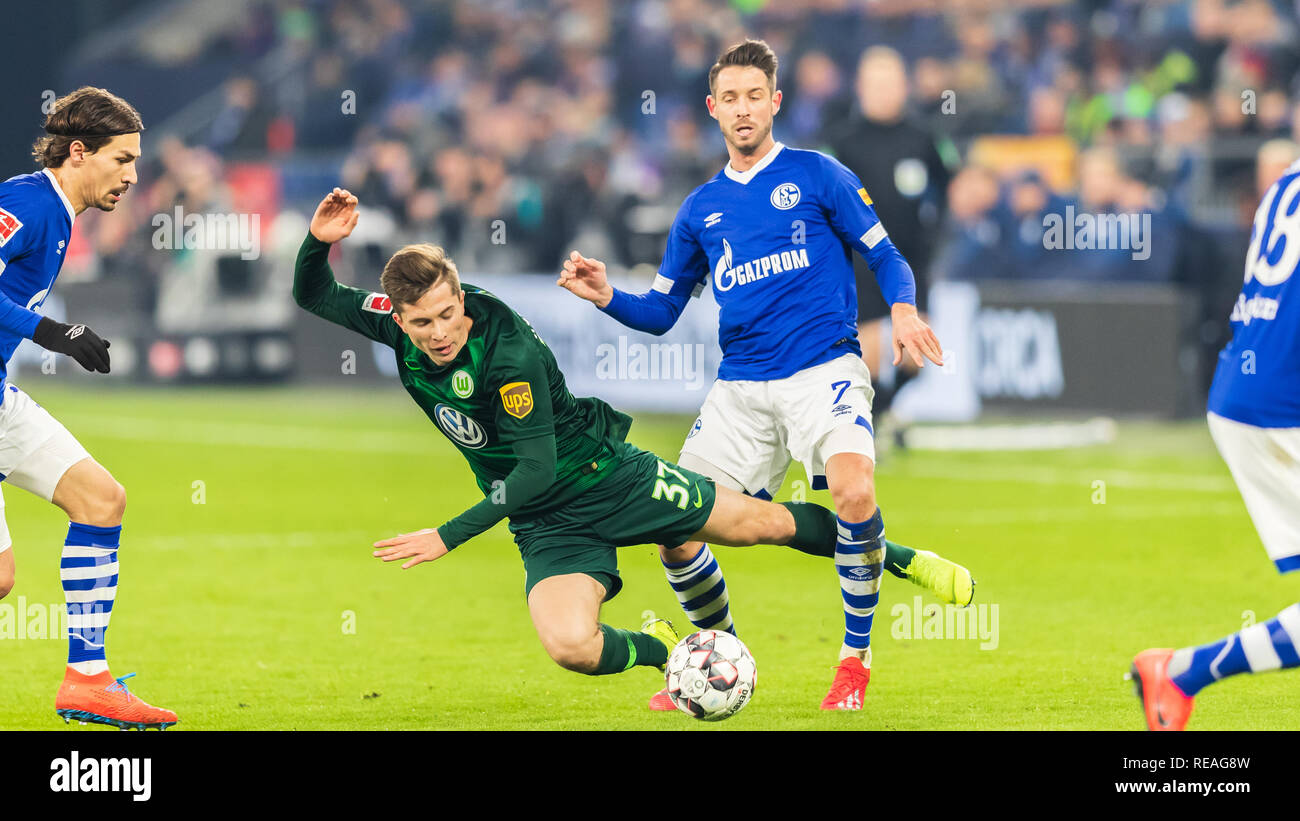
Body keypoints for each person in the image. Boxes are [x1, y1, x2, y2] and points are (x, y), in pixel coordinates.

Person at [295, 188, 855, 688]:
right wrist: (318, 242)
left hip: (606, 476)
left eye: (447, 314)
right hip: (543, 520)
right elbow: (315, 295)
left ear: (461, 298)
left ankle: (890, 553)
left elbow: (534, 469)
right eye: (423, 324)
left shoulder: (506, 353)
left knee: (765, 525)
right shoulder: (397, 323)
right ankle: (666, 651)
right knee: (570, 647)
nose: (439, 333)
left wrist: (448, 535)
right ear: (397, 319)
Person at [558, 40, 974, 712]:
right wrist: (608, 295)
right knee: (677, 527)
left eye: (756, 95)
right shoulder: (700, 210)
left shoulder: (818, 174)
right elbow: (664, 309)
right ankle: (721, 657)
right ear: (713, 108)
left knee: (853, 486)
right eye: (731, 98)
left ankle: (854, 661)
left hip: (823, 369)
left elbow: (886, 253)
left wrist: (902, 308)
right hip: (741, 388)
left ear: (775, 102)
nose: (744, 108)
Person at [0, 87, 176, 730]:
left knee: (101, 501)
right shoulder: (24, 201)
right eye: (122, 159)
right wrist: (53, 332)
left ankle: (88, 682)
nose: (132, 175)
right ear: (79, 152)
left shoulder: (61, 212)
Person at [1128, 147, 1300, 730]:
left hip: (1249, 394)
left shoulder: (1287, 181)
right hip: (1282, 407)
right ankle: (1181, 673)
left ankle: (1179, 674)